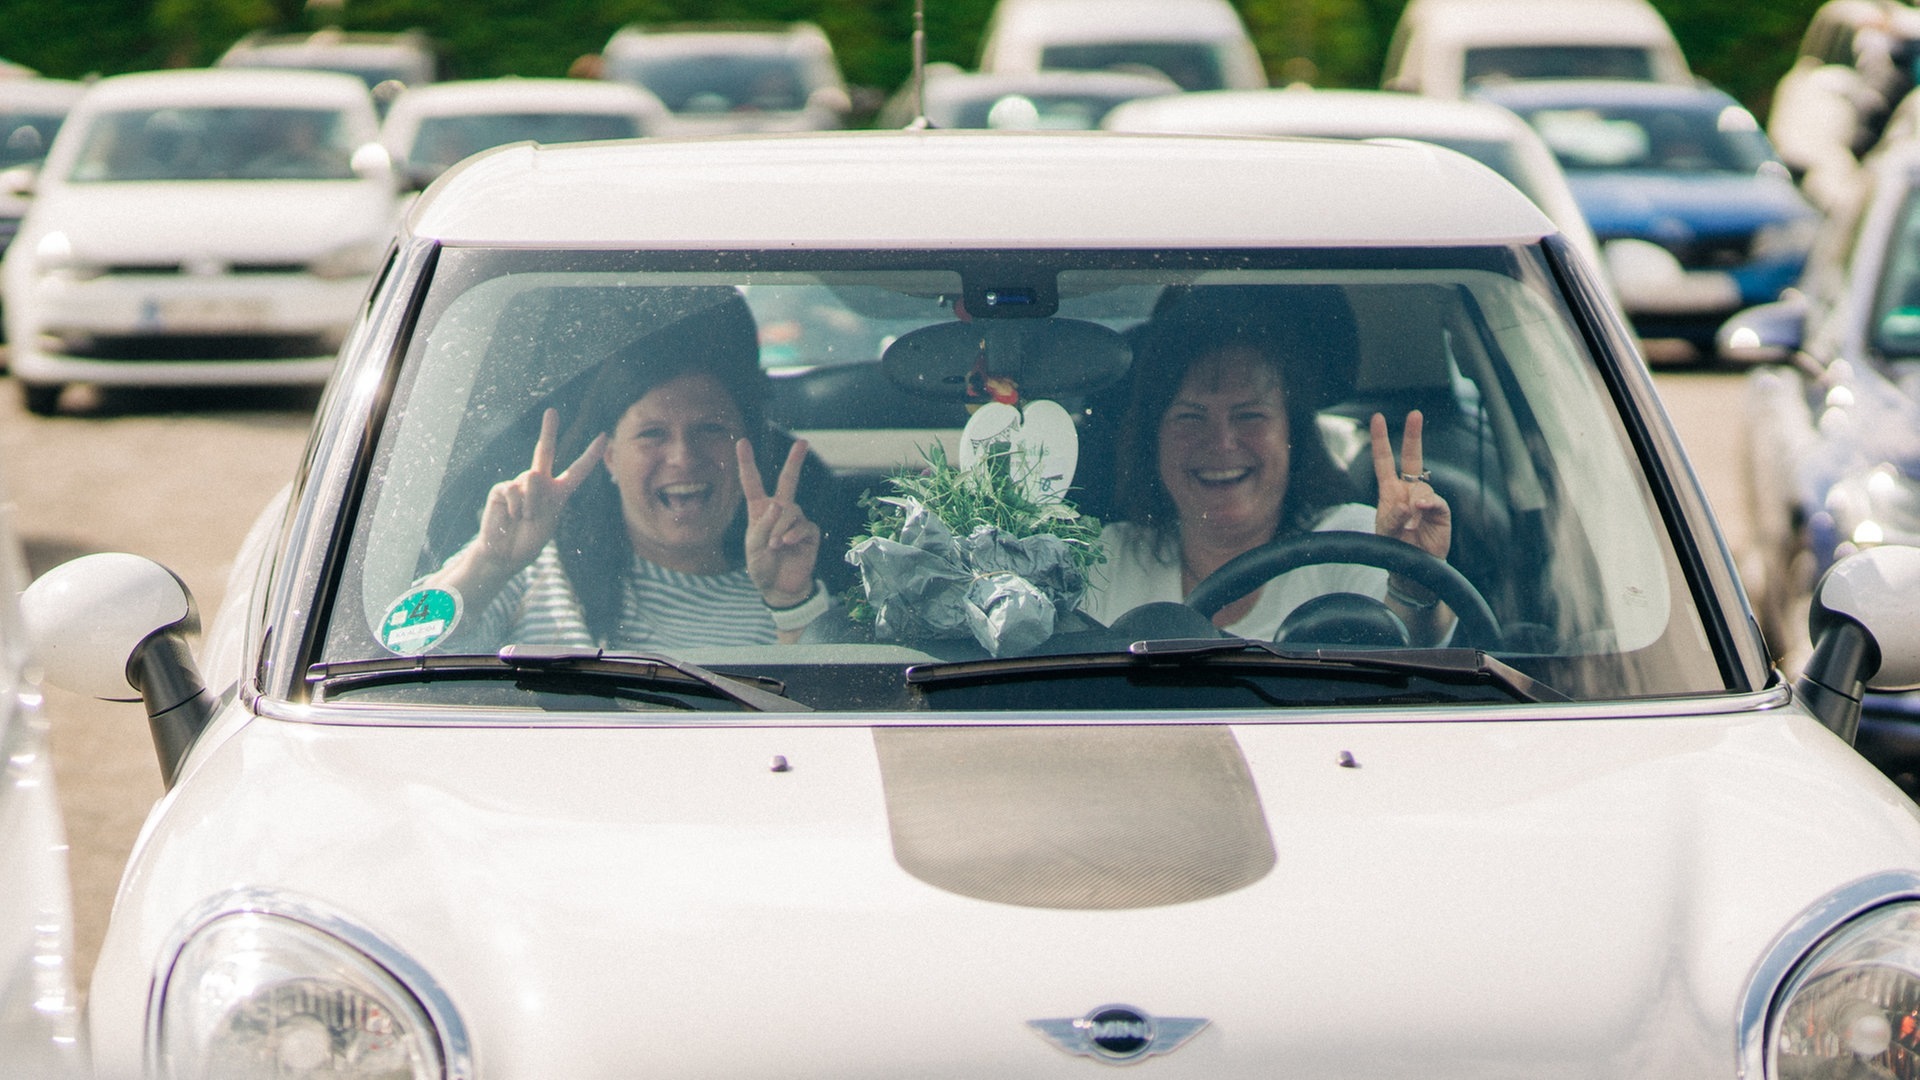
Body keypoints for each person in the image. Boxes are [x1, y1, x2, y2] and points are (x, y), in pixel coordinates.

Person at [424, 296, 828, 650]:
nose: (683, 457)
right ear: (610, 457)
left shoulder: (787, 591)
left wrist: (791, 605)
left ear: (749, 448)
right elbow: (399, 650)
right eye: (652, 434)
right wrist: (486, 565)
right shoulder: (526, 562)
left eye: (710, 429)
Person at [1081, 288, 1455, 643]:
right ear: (1154, 440)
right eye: (1190, 417)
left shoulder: (1352, 542)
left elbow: (1412, 645)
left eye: (1249, 416)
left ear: (1292, 435)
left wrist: (1413, 583)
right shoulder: (1108, 559)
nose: (1222, 443)